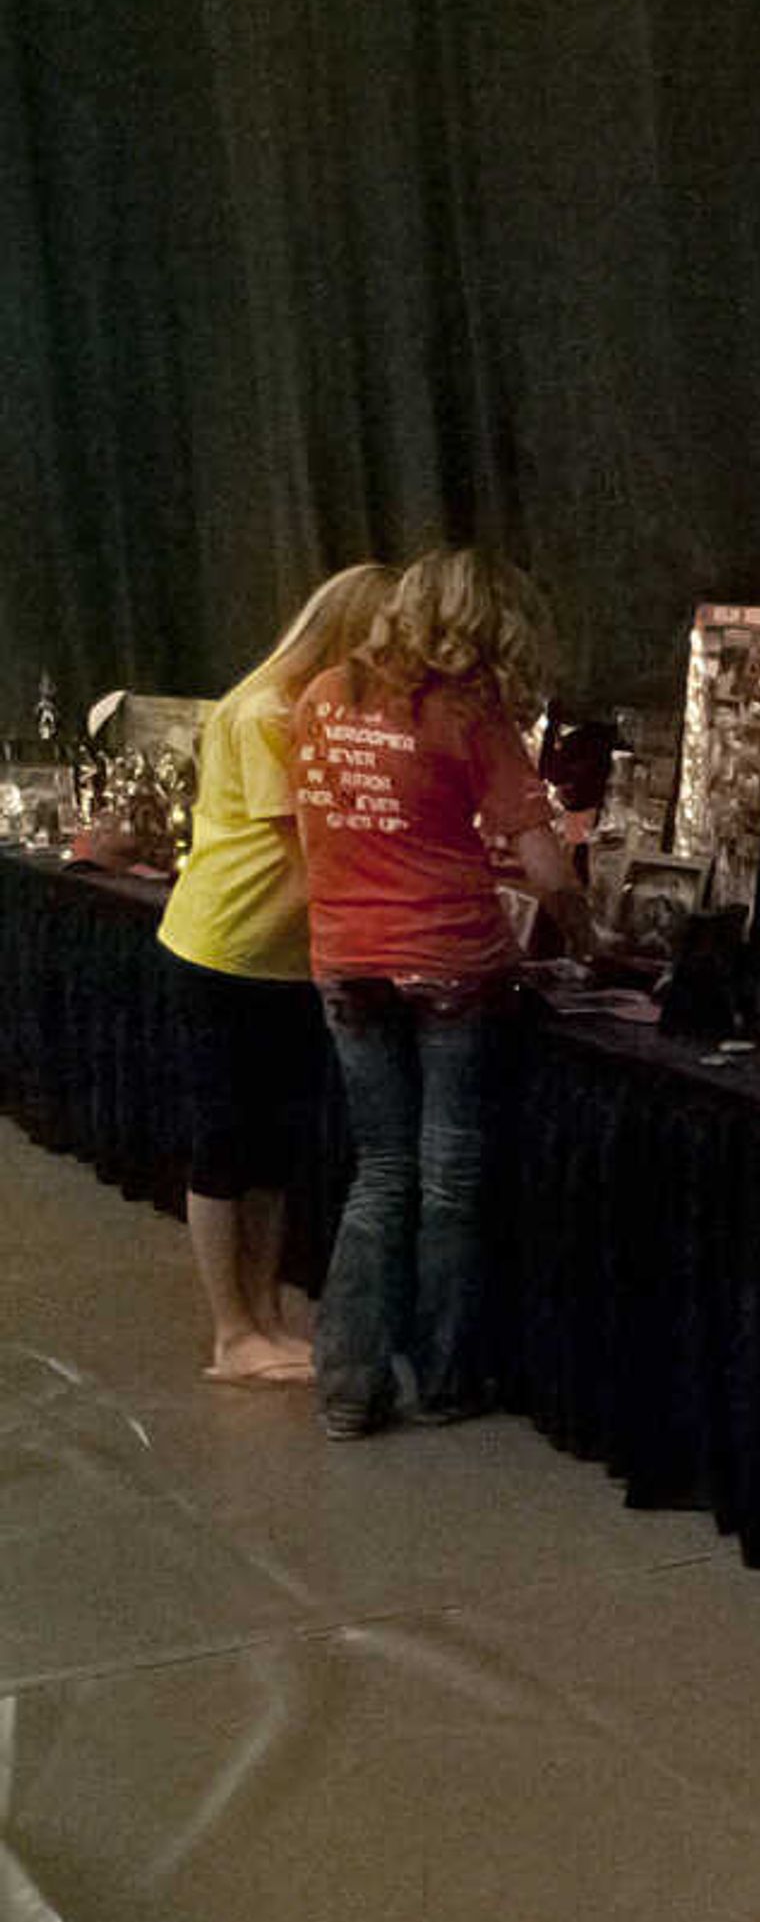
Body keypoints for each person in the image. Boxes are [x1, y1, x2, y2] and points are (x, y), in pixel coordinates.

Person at [292, 550, 587, 1438]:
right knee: (448, 1176)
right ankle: (450, 1377)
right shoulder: (470, 713)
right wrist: (592, 939)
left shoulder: (319, 699)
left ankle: (348, 1385)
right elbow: (544, 867)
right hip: (450, 962)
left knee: (379, 1171)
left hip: (345, 959)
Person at [154, 562, 394, 1384]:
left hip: (285, 957)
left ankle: (264, 1313)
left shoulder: (300, 710)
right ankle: (232, 1332)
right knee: (227, 1138)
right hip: (231, 947)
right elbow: (310, 842)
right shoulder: (266, 712)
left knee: (272, 1145)